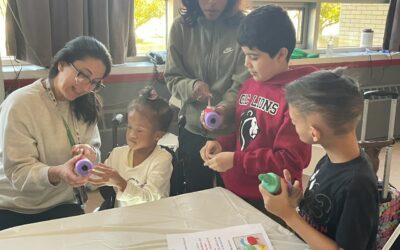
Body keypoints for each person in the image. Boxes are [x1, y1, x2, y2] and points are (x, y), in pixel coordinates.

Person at [200, 5, 318, 216]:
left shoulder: (297, 99)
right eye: (244, 55)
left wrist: (236, 160)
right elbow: (241, 132)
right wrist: (221, 143)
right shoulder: (249, 85)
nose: (246, 64)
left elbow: (289, 162)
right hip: (235, 189)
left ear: (282, 54)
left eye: (254, 57)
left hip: (272, 200)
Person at [0, 36, 112, 230]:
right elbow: (18, 172)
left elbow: (95, 150)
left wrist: (91, 155)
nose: (86, 87)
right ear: (61, 64)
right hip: (14, 206)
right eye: (83, 75)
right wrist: (57, 173)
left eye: (94, 82)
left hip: (62, 203)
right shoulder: (20, 104)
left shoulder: (88, 103)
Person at [260, 69, 379, 249]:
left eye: (294, 122)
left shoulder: (358, 185)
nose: (293, 127)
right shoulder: (329, 159)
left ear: (314, 133)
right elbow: (323, 215)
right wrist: (297, 202)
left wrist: (288, 215)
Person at [164, 0, 249, 192]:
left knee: (231, 195)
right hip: (193, 130)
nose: (211, 4)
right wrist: (192, 87)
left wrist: (224, 109)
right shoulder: (180, 27)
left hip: (231, 133)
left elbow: (243, 84)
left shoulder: (244, 28)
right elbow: (172, 77)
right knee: (196, 193)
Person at [89, 86, 174, 207]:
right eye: (129, 127)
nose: (132, 135)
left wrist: (120, 182)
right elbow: (95, 179)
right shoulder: (117, 154)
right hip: (124, 218)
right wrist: (85, 163)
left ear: (158, 135)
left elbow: (151, 198)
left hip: (153, 219)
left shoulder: (162, 159)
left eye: (139, 131)